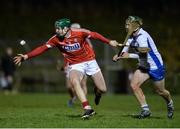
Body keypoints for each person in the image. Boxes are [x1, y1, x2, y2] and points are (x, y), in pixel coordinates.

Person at [14, 18, 119, 119]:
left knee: (103, 89)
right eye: (56, 28)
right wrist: (26, 56)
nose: (56, 30)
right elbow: (42, 48)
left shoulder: (79, 32)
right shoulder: (55, 39)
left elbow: (95, 35)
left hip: (90, 61)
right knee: (74, 81)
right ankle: (87, 108)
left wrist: (109, 42)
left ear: (66, 29)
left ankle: (97, 92)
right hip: (75, 65)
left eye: (58, 28)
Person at [113, 16, 174, 119]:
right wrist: (119, 55)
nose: (126, 26)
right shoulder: (131, 36)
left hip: (155, 66)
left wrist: (129, 56)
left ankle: (169, 103)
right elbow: (125, 49)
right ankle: (145, 110)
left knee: (160, 91)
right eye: (126, 24)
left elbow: (143, 54)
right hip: (144, 65)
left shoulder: (142, 36)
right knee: (134, 84)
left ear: (135, 26)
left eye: (128, 24)